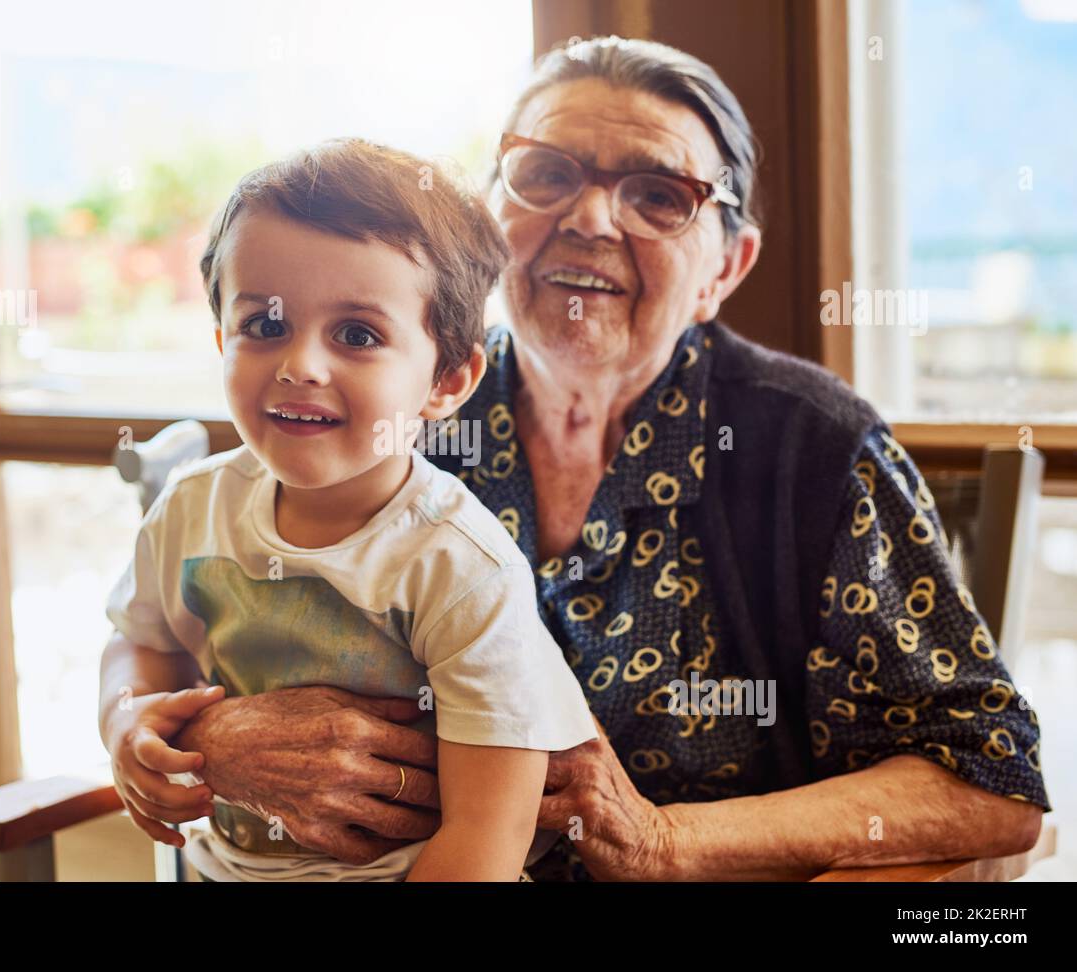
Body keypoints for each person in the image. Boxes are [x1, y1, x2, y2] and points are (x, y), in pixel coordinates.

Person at [106, 36, 1050, 881]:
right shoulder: (379, 401)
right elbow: (177, 638)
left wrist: (667, 842)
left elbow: (990, 783)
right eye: (546, 174)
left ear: (726, 265)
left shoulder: (807, 449)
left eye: (658, 195)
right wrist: (201, 738)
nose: (592, 218)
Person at [100, 137, 598, 881]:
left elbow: (484, 842)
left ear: (448, 380)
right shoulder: (190, 509)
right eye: (264, 326)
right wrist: (126, 722)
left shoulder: (462, 567)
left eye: (357, 335)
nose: (301, 364)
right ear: (220, 340)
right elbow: (139, 643)